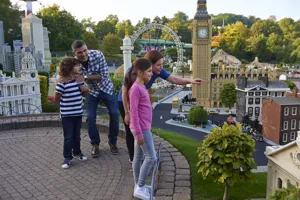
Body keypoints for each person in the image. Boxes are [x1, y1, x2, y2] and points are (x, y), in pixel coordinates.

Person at [118, 50, 204, 162]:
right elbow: (125, 93)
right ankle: (133, 159)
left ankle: (139, 157)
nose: (161, 67)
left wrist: (190, 81)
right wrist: (127, 113)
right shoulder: (134, 72)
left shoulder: (157, 71)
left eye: (162, 64)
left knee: (141, 129)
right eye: (158, 65)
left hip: (138, 104)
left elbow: (173, 79)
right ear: (150, 64)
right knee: (131, 131)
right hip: (126, 102)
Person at [71, 40, 119, 157]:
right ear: (74, 53)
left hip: (106, 88)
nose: (83, 54)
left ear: (87, 48)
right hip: (91, 91)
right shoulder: (74, 63)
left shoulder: (98, 55)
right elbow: (74, 78)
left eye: (84, 50)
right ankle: (95, 144)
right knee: (90, 118)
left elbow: (102, 76)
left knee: (115, 114)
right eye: (79, 52)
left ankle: (113, 142)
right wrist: (80, 84)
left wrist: (85, 77)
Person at [126, 58, 156, 199]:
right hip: (141, 128)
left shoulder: (141, 86)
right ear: (139, 72)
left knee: (138, 158)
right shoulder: (135, 89)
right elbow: (134, 112)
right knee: (151, 157)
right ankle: (141, 186)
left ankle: (138, 186)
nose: (151, 74)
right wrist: (139, 133)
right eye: (149, 71)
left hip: (141, 127)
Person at [55, 57, 89, 169]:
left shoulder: (79, 80)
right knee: (68, 137)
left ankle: (77, 152)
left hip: (78, 114)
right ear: (69, 68)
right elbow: (57, 99)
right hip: (67, 115)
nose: (79, 67)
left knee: (77, 136)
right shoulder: (62, 83)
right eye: (76, 65)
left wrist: (83, 87)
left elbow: (85, 94)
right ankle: (67, 157)